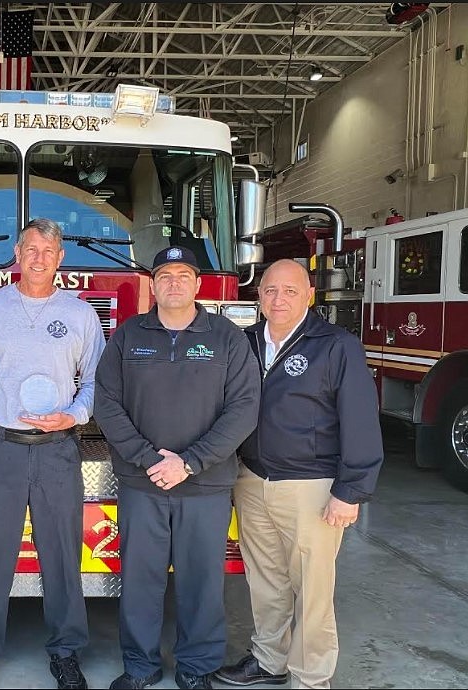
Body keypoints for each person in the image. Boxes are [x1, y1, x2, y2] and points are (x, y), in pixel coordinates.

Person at [93, 245, 261, 690]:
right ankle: (140, 667)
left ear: (197, 284)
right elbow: (106, 405)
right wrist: (150, 459)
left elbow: (244, 409)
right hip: (142, 482)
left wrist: (190, 462)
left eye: (182, 275)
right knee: (140, 581)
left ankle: (197, 667)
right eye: (164, 275)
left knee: (202, 583)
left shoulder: (227, 338)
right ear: (152, 284)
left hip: (205, 485)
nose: (173, 282)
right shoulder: (128, 336)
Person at [215, 259, 384, 690]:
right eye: (270, 290)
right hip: (251, 480)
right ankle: (269, 660)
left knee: (312, 590)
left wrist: (351, 490)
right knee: (265, 580)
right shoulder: (244, 341)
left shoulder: (335, 345)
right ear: (259, 296)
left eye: (290, 291)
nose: (279, 299)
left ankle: (310, 679)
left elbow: (360, 419)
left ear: (310, 295)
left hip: (311, 486)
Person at [0, 218, 106, 690]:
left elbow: (99, 380)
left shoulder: (81, 315)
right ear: (17, 255)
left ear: (61, 259)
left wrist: (75, 416)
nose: (39, 258)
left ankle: (65, 652)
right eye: (30, 249)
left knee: (62, 555)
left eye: (48, 250)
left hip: (58, 451)